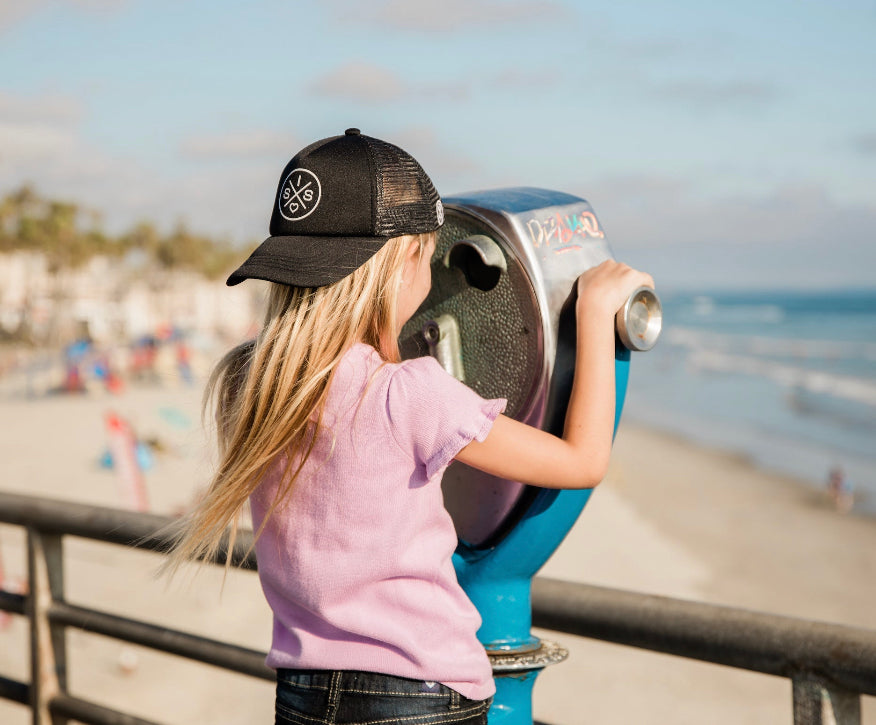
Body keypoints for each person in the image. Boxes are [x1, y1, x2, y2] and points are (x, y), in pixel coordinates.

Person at [162, 128, 653, 725]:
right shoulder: (410, 394)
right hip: (419, 693)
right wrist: (597, 318)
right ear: (405, 261)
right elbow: (581, 460)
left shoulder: (246, 381)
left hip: (303, 693)